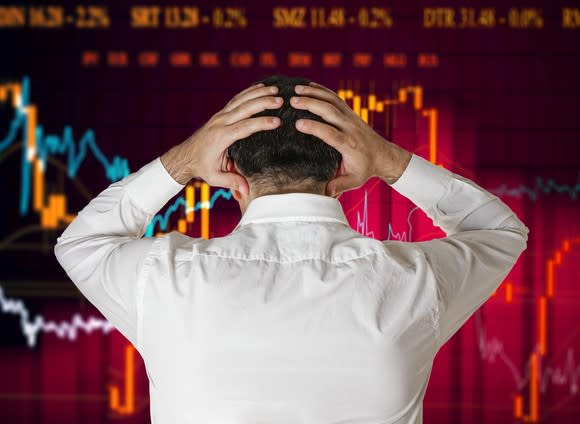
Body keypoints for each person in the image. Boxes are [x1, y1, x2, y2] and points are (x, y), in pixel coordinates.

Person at [54, 75, 529, 423]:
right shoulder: (412, 280)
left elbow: (82, 243)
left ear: (230, 173)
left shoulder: (161, 279)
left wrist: (184, 160)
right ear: (342, 170)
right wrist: (387, 158)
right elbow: (499, 232)